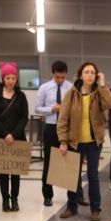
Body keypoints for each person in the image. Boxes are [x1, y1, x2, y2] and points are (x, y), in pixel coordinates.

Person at [56, 62, 111, 221]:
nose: (89, 75)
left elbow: (110, 104)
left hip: (94, 142)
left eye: (92, 73)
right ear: (81, 75)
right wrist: (63, 140)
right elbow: (62, 119)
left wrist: (102, 85)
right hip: (75, 142)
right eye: (86, 72)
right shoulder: (71, 94)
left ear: (96, 76)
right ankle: (72, 206)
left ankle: (95, 209)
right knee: (72, 176)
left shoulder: (98, 93)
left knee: (92, 175)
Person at [0, 62, 29, 212]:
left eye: (13, 78)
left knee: (16, 172)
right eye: (7, 78)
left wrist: (13, 134)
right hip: (0, 137)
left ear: (16, 79)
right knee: (3, 172)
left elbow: (24, 117)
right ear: (3, 79)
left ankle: (15, 198)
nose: (10, 81)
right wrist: (5, 134)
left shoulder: (21, 96)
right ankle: (5, 199)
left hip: (17, 138)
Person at [35, 60, 77, 207]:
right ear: (52, 74)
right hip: (51, 127)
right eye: (57, 77)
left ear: (66, 75)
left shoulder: (71, 88)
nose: (60, 80)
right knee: (49, 162)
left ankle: (74, 196)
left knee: (71, 161)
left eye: (63, 77)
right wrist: (51, 109)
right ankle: (47, 195)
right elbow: (38, 108)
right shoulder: (44, 88)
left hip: (67, 129)